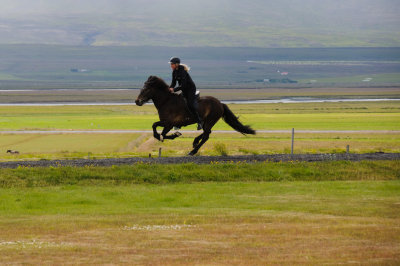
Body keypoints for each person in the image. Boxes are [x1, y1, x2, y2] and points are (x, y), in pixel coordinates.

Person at [168, 57, 203, 130]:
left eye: (172, 64)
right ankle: (179, 123)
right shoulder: (174, 71)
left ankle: (199, 122)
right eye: (171, 64)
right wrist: (169, 88)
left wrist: (174, 89)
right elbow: (173, 83)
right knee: (179, 104)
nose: (171, 65)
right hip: (184, 90)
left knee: (190, 105)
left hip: (190, 89)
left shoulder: (183, 72)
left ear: (176, 64)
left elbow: (183, 85)